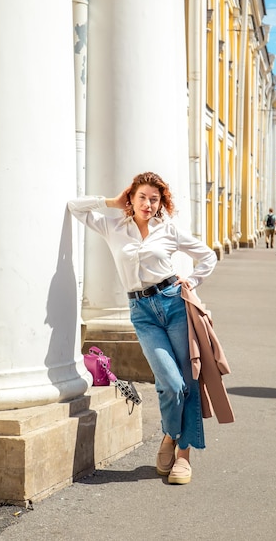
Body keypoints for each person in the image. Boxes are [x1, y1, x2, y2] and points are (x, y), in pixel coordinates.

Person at [68, 171, 218, 485]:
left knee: (188, 380)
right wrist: (110, 201)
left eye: (154, 199)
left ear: (161, 202)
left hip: (173, 304)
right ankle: (169, 436)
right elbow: (74, 207)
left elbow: (207, 255)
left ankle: (184, 455)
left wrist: (192, 279)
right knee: (169, 383)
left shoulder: (170, 230)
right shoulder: (113, 227)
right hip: (142, 312)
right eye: (142, 198)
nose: (148, 204)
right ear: (131, 198)